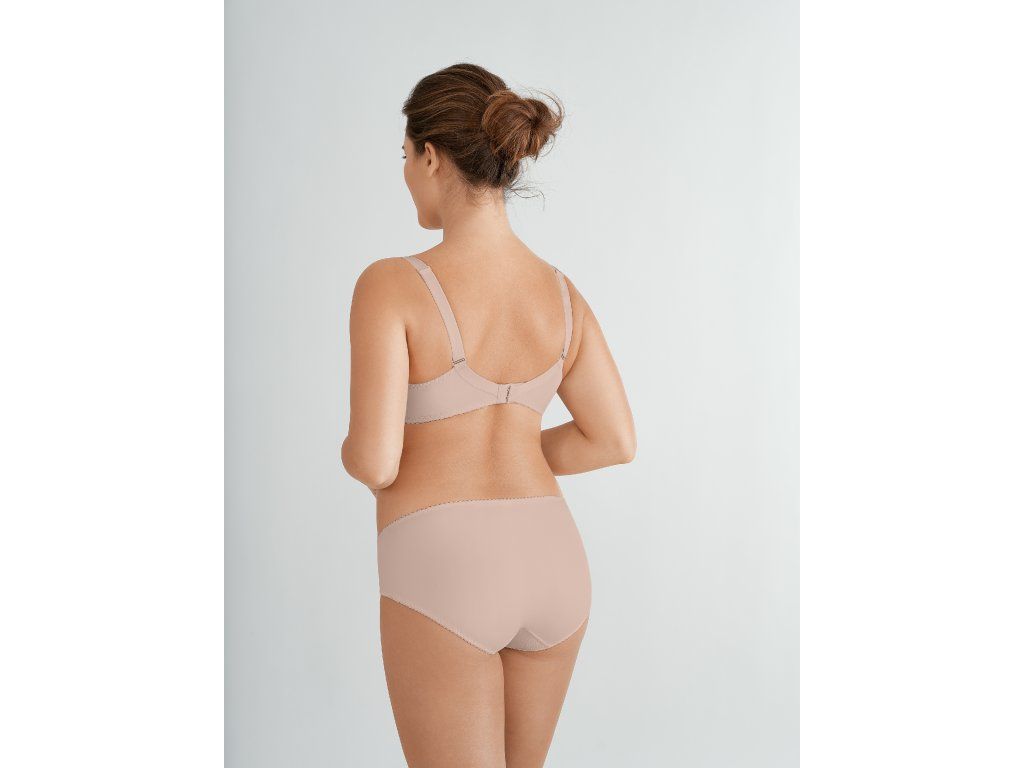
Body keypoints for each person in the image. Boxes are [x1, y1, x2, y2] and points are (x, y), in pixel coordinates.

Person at [342, 62, 636, 768]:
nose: (405, 173)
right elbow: (614, 440)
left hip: (446, 563)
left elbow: (376, 462)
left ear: (430, 156)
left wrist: (353, 449)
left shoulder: (392, 284)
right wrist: (521, 449)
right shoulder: (561, 294)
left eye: (404, 156)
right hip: (553, 559)